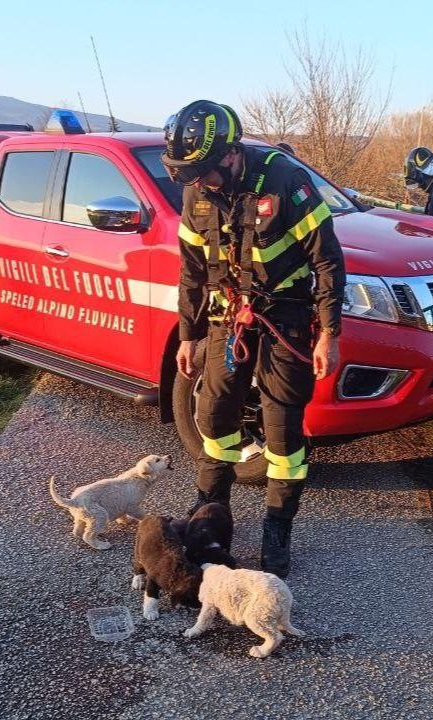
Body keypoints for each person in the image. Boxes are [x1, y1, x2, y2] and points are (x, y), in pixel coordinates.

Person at [162, 100, 345, 578]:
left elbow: (328, 261)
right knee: (214, 415)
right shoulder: (197, 192)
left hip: (285, 316)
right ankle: (209, 512)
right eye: (188, 175)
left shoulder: (284, 181)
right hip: (227, 317)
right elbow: (191, 271)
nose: (198, 182)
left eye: (203, 171)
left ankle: (277, 528)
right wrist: (188, 336)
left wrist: (329, 333)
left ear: (230, 154)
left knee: (282, 430)